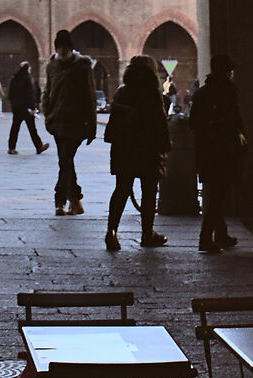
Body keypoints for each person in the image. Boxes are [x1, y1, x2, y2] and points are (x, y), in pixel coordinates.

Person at [104, 57, 171, 249]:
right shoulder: (152, 93)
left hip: (123, 148)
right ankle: (147, 234)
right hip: (147, 149)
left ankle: (111, 232)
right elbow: (160, 123)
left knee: (121, 190)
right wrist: (166, 146)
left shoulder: (121, 92)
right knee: (149, 192)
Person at [188, 57, 247, 252]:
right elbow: (235, 119)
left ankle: (221, 234)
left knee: (215, 192)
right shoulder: (228, 91)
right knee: (218, 195)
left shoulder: (202, 92)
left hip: (206, 150)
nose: (232, 74)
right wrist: (242, 140)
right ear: (226, 72)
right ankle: (205, 238)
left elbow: (193, 122)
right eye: (230, 70)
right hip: (224, 150)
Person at [43, 29, 97, 216]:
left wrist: (92, 127)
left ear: (71, 48)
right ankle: (76, 202)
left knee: (64, 160)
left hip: (76, 123)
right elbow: (47, 90)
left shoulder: (83, 67)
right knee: (66, 161)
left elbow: (90, 97)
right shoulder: (52, 66)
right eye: (59, 48)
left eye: (65, 48)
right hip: (57, 122)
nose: (62, 51)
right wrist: (47, 114)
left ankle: (59, 201)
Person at [5, 60, 46, 155]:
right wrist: (33, 107)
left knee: (14, 128)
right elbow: (30, 94)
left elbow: (10, 94)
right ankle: (39, 146)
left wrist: (14, 105)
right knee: (32, 129)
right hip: (27, 109)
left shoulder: (14, 78)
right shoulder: (28, 78)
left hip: (17, 108)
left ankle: (11, 148)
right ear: (27, 69)